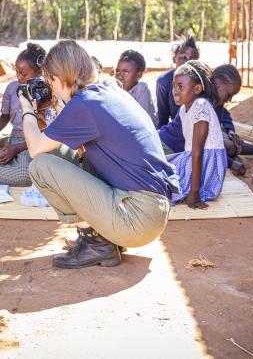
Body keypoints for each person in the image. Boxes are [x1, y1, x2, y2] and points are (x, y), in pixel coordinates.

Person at [19, 40, 178, 269]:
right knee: (62, 154)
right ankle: (103, 237)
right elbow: (77, 146)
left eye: (50, 81)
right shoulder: (108, 90)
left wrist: (27, 107)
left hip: (137, 218)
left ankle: (97, 243)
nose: (50, 88)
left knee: (41, 166)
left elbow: (34, 148)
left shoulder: (85, 105)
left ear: (59, 77)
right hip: (151, 211)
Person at [0, 43, 47, 187]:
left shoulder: (46, 92)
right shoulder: (12, 88)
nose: (19, 77)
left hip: (36, 141)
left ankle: (29, 173)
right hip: (14, 139)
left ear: (39, 71)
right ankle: (3, 172)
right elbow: (4, 117)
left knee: (24, 175)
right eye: (17, 72)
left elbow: (47, 133)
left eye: (24, 74)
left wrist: (17, 149)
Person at [168, 61, 227, 209]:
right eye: (174, 86)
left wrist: (194, 193)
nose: (175, 91)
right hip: (192, 159)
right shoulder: (183, 110)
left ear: (197, 88)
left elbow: (198, 152)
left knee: (160, 183)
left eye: (180, 87)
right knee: (159, 170)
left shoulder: (200, 106)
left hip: (207, 163)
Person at [156, 36, 199, 127]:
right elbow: (163, 117)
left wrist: (229, 128)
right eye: (183, 57)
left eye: (192, 59)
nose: (188, 62)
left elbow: (219, 108)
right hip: (178, 130)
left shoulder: (202, 82)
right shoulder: (164, 82)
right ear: (174, 58)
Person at [115, 50, 158, 127]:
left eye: (125, 72)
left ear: (139, 75)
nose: (120, 76)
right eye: (117, 71)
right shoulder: (115, 90)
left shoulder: (141, 89)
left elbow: (143, 122)